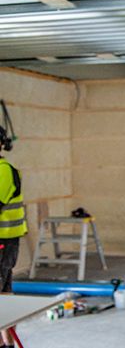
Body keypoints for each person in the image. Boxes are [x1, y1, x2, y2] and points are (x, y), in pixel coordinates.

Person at [0, 125, 26, 348]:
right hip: (4, 239)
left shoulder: (4, 170)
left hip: (4, 239)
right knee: (4, 292)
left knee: (2, 293)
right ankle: (6, 342)